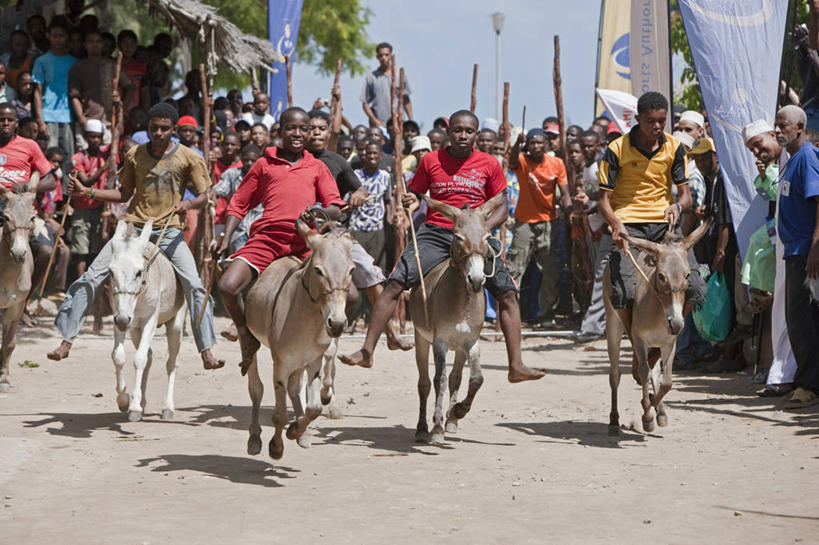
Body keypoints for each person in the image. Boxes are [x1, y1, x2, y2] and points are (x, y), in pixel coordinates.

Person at [340, 110, 545, 383]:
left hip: (476, 236)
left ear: (476, 134)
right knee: (395, 283)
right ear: (449, 133)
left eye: (469, 131)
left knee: (507, 293)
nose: (463, 135)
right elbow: (415, 195)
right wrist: (410, 203)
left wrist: (482, 229)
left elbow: (502, 207)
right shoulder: (431, 161)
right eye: (458, 130)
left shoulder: (490, 164)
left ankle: (516, 364)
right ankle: (368, 350)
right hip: (437, 234)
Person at [47, 103, 224, 371]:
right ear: (148, 128)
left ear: (174, 130)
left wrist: (188, 205)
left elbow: (205, 195)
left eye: (165, 129)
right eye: (154, 128)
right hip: (133, 229)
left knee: (195, 284)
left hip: (169, 230)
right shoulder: (134, 154)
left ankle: (206, 348)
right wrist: (88, 192)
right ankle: (67, 339)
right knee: (92, 276)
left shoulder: (189, 157)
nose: (159, 133)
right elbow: (123, 194)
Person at [215, 107, 347, 371]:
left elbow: (336, 207)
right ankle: (246, 334)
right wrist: (225, 237)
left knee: (350, 294)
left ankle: (319, 345)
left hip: (305, 241)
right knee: (228, 286)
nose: (297, 134)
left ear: (310, 132)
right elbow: (239, 202)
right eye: (291, 128)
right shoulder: (264, 164)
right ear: (280, 131)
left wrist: (319, 211)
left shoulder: (317, 167)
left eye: (303, 129)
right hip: (268, 238)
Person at [597, 91, 705, 383]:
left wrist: (676, 206)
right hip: (629, 226)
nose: (657, 127)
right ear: (637, 119)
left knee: (696, 287)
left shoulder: (674, 149)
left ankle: (656, 353)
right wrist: (616, 224)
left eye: (661, 121)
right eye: (650, 121)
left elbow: (685, 197)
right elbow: (603, 200)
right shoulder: (617, 149)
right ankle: (638, 348)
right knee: (623, 292)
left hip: (664, 226)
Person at [743, 119, 797, 397]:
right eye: (752, 149)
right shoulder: (775, 166)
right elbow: (769, 195)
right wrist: (764, 175)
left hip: (798, 248)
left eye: (758, 144)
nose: (757, 151)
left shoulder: (799, 157)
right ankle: (781, 374)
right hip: (782, 250)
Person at [772, 105, 819, 409]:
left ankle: (809, 385)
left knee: (802, 320)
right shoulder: (790, 160)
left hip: (805, 251)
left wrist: (816, 247)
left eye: (784, 125)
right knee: (799, 318)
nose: (778, 130)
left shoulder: (807, 159)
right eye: (776, 125)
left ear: (799, 128)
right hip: (794, 250)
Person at [507, 128, 572, 326]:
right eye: (532, 143)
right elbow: (511, 162)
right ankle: (511, 314)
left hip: (549, 223)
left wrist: (570, 212)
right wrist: (517, 143)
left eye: (540, 143)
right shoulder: (522, 160)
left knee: (551, 269)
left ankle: (546, 313)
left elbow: (565, 192)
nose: (536, 146)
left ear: (546, 145)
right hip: (524, 223)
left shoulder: (557, 163)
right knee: (515, 268)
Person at [0, 103, 59, 298]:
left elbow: (51, 179)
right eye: (1, 119)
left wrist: (29, 189)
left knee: (45, 250)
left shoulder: (29, 146)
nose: (5, 123)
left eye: (9, 120)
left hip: (24, 212)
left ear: (17, 123)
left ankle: (25, 300)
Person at [69, 29, 132, 149]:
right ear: (85, 45)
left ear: (102, 45)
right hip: (87, 120)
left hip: (108, 122)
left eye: (98, 42)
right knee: (84, 157)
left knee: (106, 157)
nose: (95, 45)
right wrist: (81, 118)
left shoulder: (112, 65)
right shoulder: (78, 68)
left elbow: (129, 87)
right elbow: (74, 96)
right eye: (91, 42)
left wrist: (120, 110)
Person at [69, 118, 108, 278]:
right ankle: (80, 283)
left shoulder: (105, 154)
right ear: (85, 136)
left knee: (97, 250)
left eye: (98, 136)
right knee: (81, 252)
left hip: (101, 209)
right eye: (92, 136)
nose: (95, 140)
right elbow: (85, 181)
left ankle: (95, 284)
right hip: (82, 210)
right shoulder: (78, 157)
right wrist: (103, 168)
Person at [32, 20, 78, 156]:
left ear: (66, 38)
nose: (58, 39)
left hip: (70, 117)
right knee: (49, 157)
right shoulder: (41, 61)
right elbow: (38, 92)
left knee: (69, 158)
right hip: (48, 115)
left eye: (61, 36)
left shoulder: (74, 62)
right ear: (49, 36)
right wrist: (40, 120)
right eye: (55, 36)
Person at [351, 138, 393, 268]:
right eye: (369, 153)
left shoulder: (385, 176)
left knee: (377, 268)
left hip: (377, 228)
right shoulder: (356, 176)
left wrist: (390, 215)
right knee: (356, 267)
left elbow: (388, 199)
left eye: (375, 153)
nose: (372, 156)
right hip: (357, 227)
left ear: (381, 156)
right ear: (364, 155)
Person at [360, 42, 412, 127]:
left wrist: (410, 121)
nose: (384, 58)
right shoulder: (371, 77)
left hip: (398, 123)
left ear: (391, 56)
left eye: (386, 55)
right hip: (380, 125)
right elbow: (365, 103)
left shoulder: (400, 76)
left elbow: (406, 100)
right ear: (377, 57)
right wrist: (375, 120)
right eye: (381, 55)